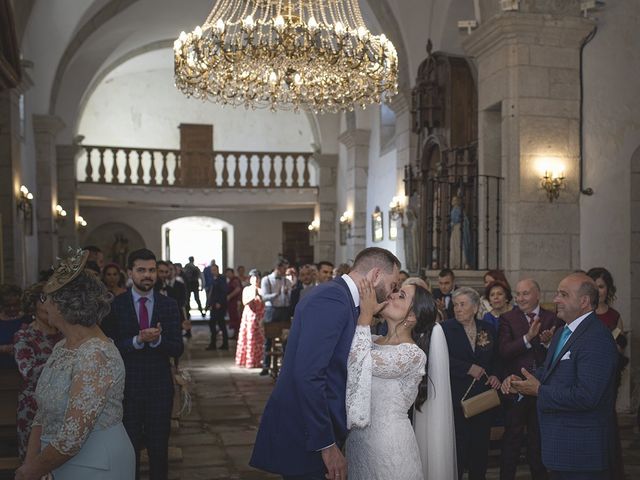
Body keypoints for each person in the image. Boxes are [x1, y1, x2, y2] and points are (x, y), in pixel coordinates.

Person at [250, 247, 400, 479]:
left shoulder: (344, 299)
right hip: (306, 434)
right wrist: (326, 445)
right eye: (392, 286)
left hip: (316, 427)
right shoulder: (331, 299)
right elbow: (308, 375)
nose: (391, 294)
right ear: (376, 275)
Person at [14, 250, 135, 480]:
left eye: (45, 298)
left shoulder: (96, 356)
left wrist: (32, 470)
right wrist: (32, 461)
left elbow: (72, 437)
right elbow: (43, 412)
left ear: (62, 305)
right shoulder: (62, 347)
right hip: (53, 460)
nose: (44, 306)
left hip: (96, 465)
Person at [504, 273, 618, 480]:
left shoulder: (596, 338)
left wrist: (538, 390)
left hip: (582, 453)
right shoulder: (562, 333)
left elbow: (587, 396)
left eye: (563, 295)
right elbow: (549, 373)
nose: (556, 300)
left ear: (584, 301)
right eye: (557, 294)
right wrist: (520, 383)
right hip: (561, 449)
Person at [345, 279, 438, 480]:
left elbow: (358, 361)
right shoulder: (371, 340)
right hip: (357, 443)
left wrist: (366, 315)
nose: (392, 295)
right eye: (396, 290)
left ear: (412, 316)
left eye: (401, 296)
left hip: (389, 446)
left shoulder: (411, 355)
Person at [106, 248, 184, 480]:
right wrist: (137, 340)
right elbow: (109, 350)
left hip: (159, 388)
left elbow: (178, 348)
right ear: (130, 273)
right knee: (128, 450)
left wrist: (158, 340)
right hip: (126, 387)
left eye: (151, 270)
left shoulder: (168, 305)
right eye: (141, 270)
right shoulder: (116, 306)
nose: (147, 275)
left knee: (158, 448)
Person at [498, 278, 561, 480]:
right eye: (518, 294)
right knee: (512, 440)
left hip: (543, 389)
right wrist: (528, 338)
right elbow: (504, 351)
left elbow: (560, 355)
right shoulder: (507, 318)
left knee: (538, 439)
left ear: (537, 295)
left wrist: (548, 343)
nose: (520, 298)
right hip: (516, 387)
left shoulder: (553, 318)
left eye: (525, 293)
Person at [441, 287, 501, 480]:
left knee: (480, 447)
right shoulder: (444, 328)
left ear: (475, 308)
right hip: (458, 396)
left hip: (483, 397)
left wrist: (495, 375)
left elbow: (497, 358)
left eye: (463, 304)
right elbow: (439, 359)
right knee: (459, 446)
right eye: (456, 305)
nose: (457, 309)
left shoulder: (488, 328)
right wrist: (467, 368)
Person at [13, 283, 64, 460]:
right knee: (33, 462)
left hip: (62, 405)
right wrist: (62, 360)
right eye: (44, 300)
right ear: (34, 305)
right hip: (33, 407)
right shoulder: (24, 335)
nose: (50, 304)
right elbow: (29, 373)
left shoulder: (65, 333)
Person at [587, 267, 627, 480]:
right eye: (594, 286)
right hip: (585, 378)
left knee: (607, 423)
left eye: (601, 286)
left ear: (607, 289)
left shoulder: (614, 316)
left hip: (608, 378)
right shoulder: (582, 314)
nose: (598, 290)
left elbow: (620, 348)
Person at [259, 258, 293, 375]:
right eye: (284, 268)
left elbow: (290, 300)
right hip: (271, 310)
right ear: (278, 268)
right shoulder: (266, 280)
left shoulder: (287, 281)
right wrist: (276, 294)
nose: (285, 271)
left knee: (286, 338)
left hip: (284, 311)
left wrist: (288, 293)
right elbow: (264, 297)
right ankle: (266, 366)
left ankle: (285, 366)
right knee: (268, 339)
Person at [235, 269, 265, 368]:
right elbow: (244, 302)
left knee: (260, 339)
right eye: (253, 278)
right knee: (250, 337)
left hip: (260, 317)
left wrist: (260, 295)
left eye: (257, 278)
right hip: (250, 316)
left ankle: (260, 361)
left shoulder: (263, 289)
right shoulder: (247, 289)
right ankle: (250, 361)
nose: (255, 280)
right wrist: (253, 295)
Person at [0, 284, 29, 368]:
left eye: (16, 305)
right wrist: (3, 349)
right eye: (7, 306)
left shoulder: (28, 319)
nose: (12, 308)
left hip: (23, 370)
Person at [225, 267, 243, 335]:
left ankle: (237, 334)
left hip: (235, 302)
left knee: (236, 317)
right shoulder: (230, 280)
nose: (228, 275)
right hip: (231, 302)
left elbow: (238, 289)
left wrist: (229, 296)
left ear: (233, 273)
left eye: (229, 273)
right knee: (233, 317)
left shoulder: (235, 280)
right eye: (227, 273)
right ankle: (235, 333)